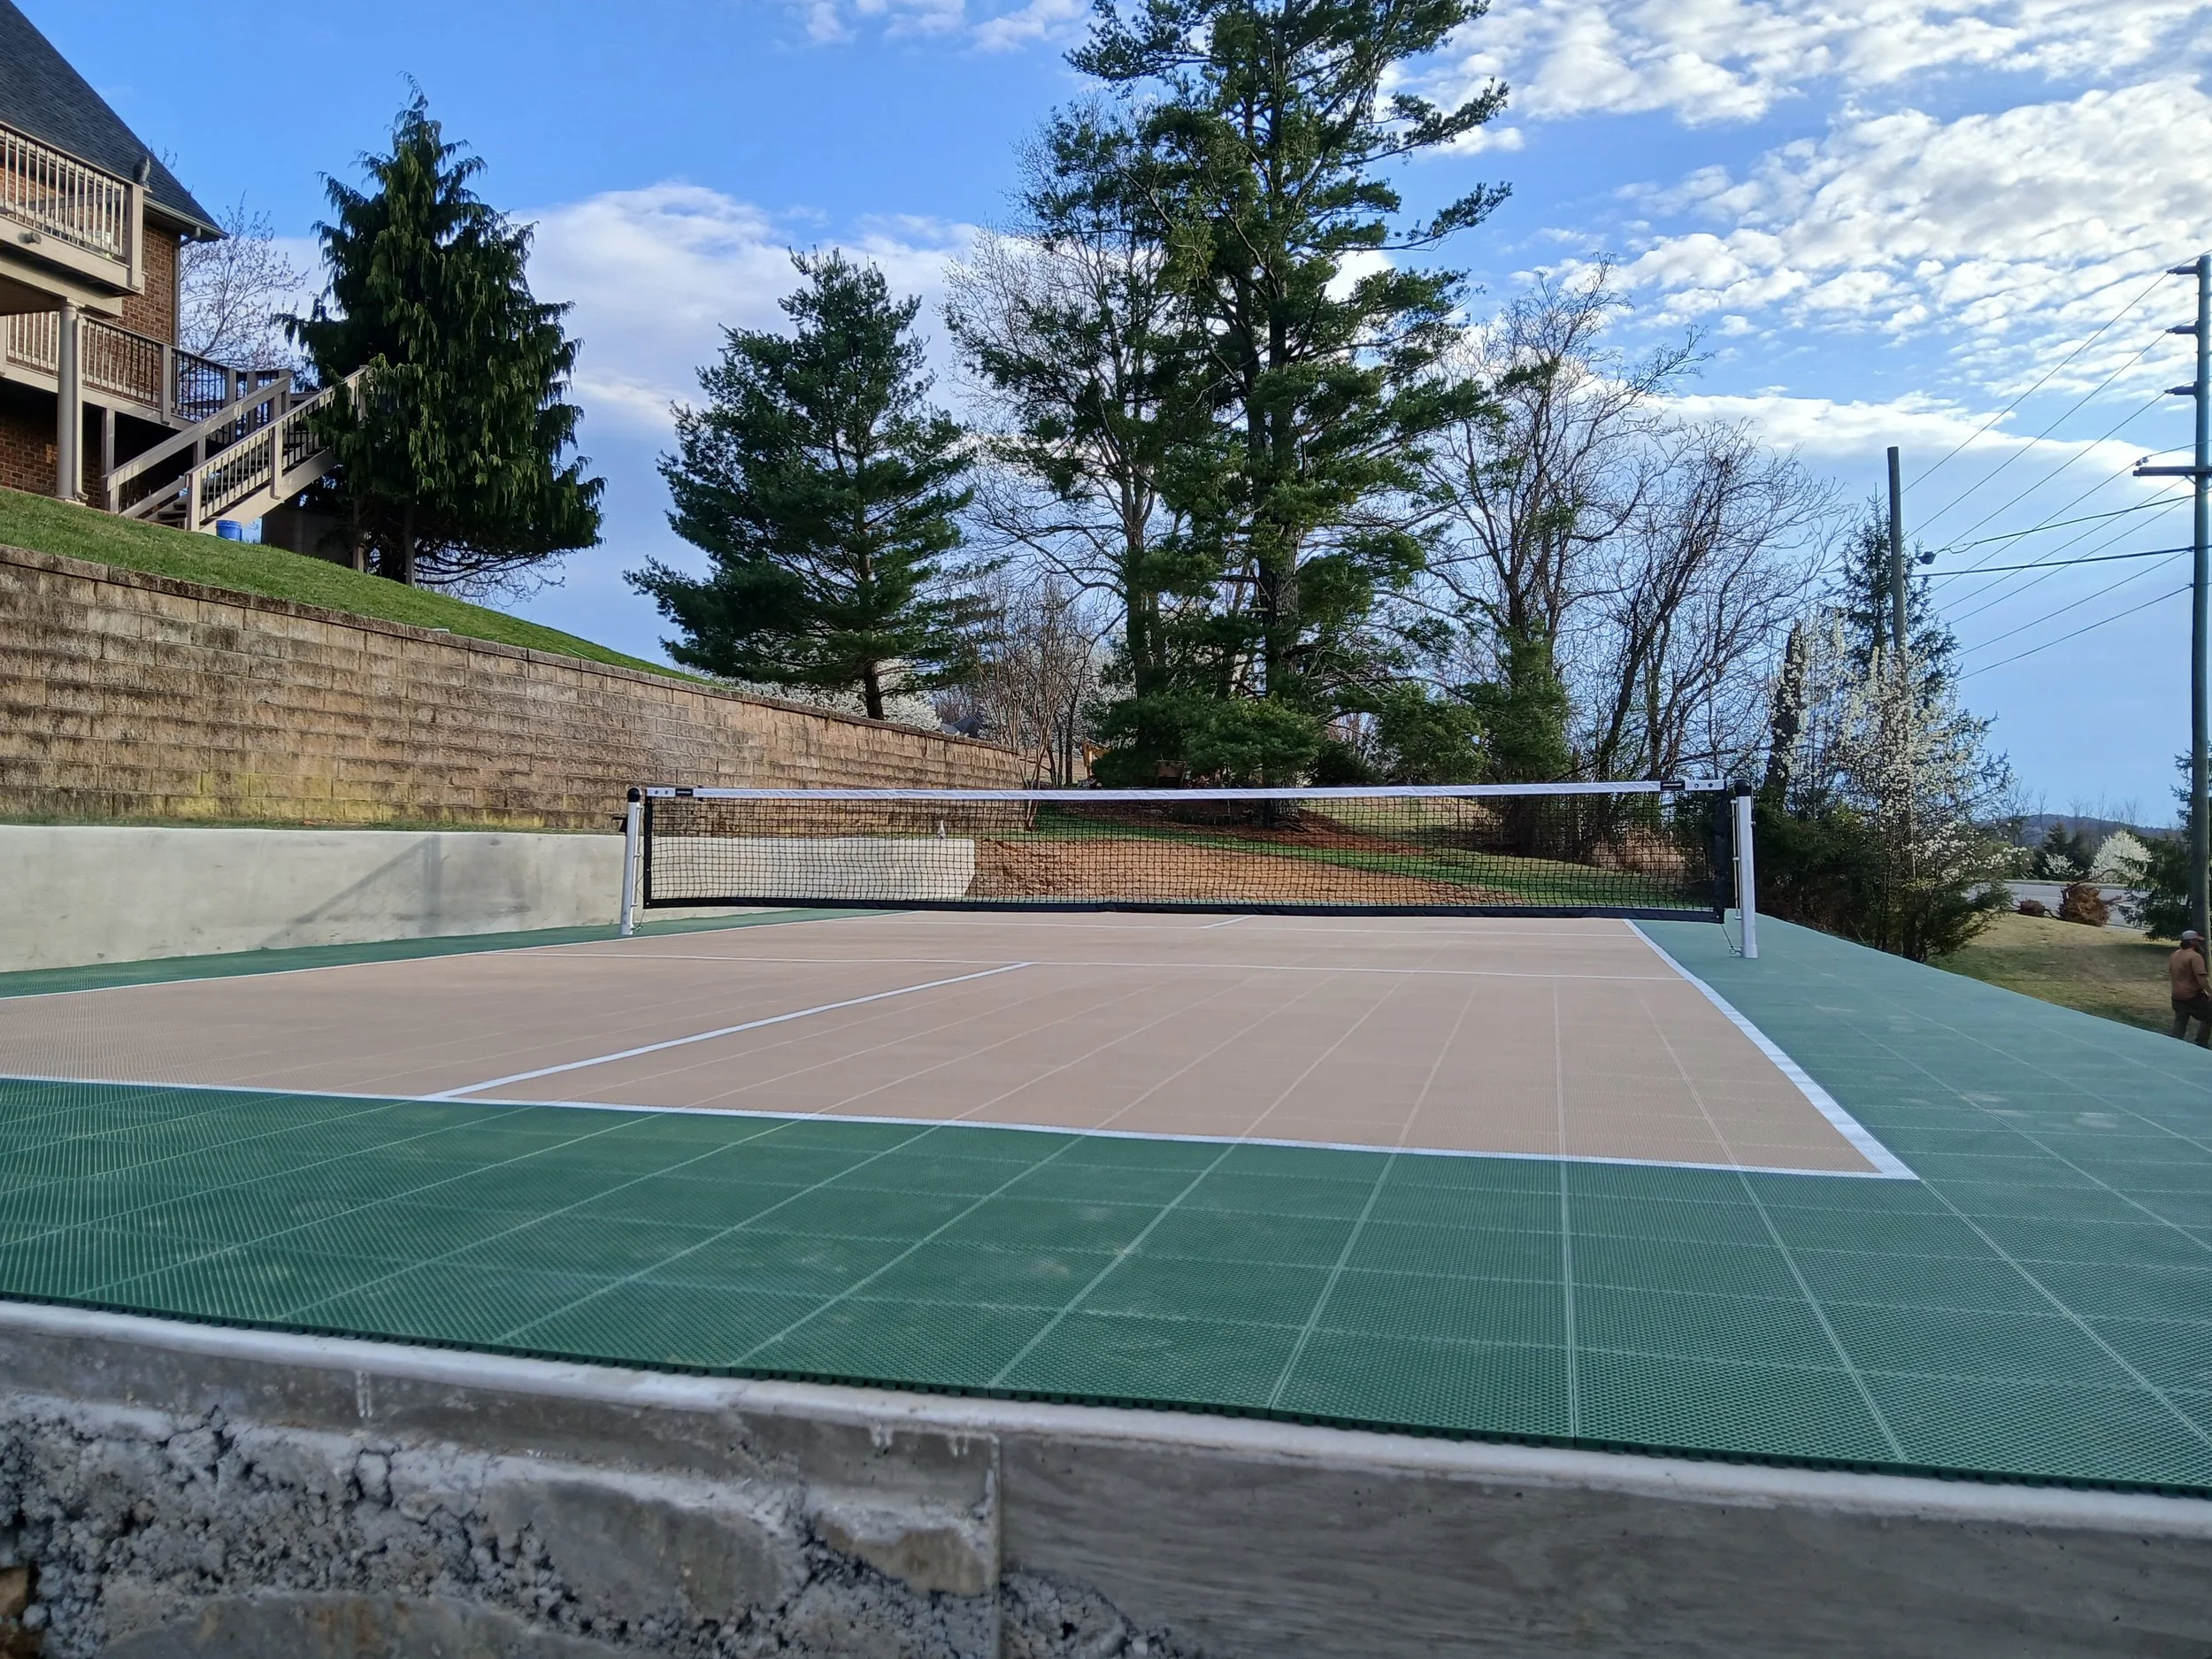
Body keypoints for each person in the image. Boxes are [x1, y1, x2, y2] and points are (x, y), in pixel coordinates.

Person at [2170, 931, 2212, 1046]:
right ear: (2192, 941)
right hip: (2192, 996)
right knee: (2209, 1015)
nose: (2199, 943)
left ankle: (2175, 1043)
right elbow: (2201, 978)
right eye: (2198, 941)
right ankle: (2201, 1043)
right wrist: (2210, 993)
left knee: (2180, 1021)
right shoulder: (2195, 956)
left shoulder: (2175, 955)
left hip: (2176, 996)